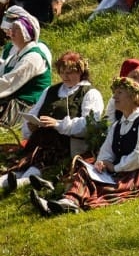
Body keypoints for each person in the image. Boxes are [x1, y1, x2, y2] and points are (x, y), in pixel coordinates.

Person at [31, 76, 139, 216]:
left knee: (102, 187)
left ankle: (65, 201)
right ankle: (64, 200)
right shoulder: (118, 125)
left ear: (133, 96)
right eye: (115, 93)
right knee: (85, 168)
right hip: (123, 171)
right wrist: (102, 162)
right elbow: (106, 151)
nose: (114, 96)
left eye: (120, 92)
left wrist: (115, 167)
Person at [0, 50, 102, 191]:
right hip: (39, 141)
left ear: (81, 72)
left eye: (70, 72)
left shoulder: (90, 93)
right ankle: (7, 181)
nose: (65, 76)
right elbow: (33, 113)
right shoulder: (50, 90)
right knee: (23, 163)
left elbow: (90, 124)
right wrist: (30, 126)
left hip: (66, 144)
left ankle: (22, 182)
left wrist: (58, 124)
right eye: (62, 72)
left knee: (41, 161)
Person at [0, 6, 51, 127]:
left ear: (26, 32)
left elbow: (9, 82)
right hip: (10, 97)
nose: (10, 33)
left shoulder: (33, 57)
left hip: (25, 105)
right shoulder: (14, 51)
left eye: (15, 30)